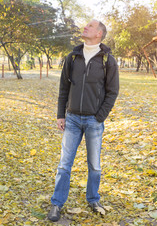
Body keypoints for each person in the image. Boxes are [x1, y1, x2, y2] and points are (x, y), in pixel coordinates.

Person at [48, 19, 119, 222]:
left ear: (99, 33)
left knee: (94, 165)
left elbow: (113, 92)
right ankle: (56, 203)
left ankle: (93, 199)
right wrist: (61, 114)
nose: (85, 27)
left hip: (93, 121)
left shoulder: (108, 60)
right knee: (64, 164)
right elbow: (64, 88)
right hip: (71, 119)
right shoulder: (72, 57)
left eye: (90, 25)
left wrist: (99, 117)